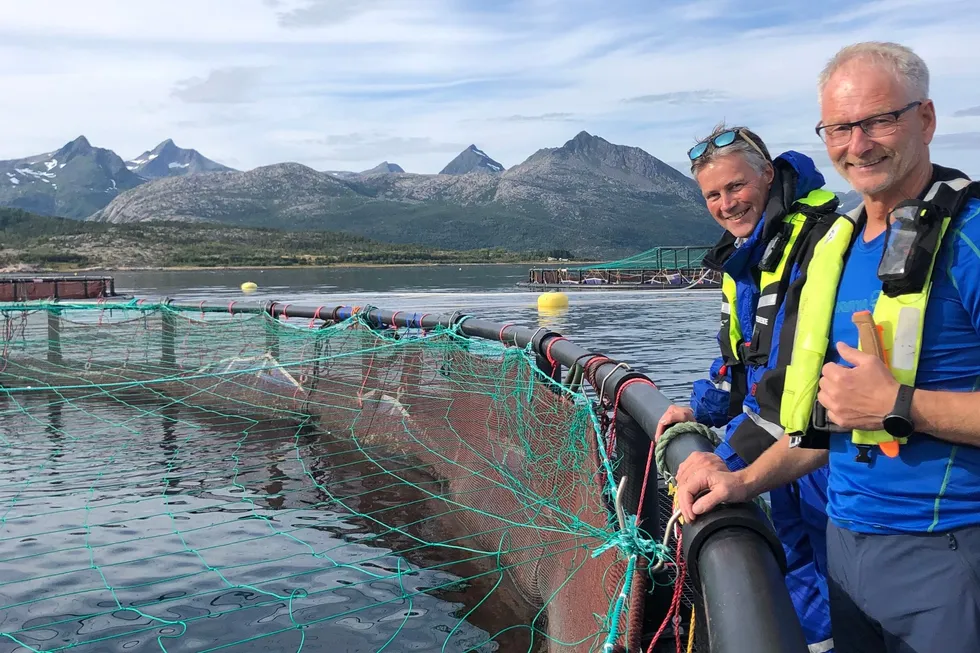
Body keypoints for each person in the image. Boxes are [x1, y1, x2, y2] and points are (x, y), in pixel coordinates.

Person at [674, 41, 980, 653]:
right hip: (846, 542)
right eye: (841, 127)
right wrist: (742, 480)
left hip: (945, 547)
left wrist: (903, 405)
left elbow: (875, 406)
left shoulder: (969, 236)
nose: (858, 143)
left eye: (879, 119)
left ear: (925, 119)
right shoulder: (841, 251)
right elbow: (828, 422)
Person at [655, 124, 839, 653]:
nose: (726, 203)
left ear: (766, 173)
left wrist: (726, 461)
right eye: (713, 194)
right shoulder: (746, 256)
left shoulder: (817, 242)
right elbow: (741, 362)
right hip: (778, 463)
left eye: (736, 187)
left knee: (844, 593)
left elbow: (787, 381)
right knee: (804, 593)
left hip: (821, 458)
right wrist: (698, 407)